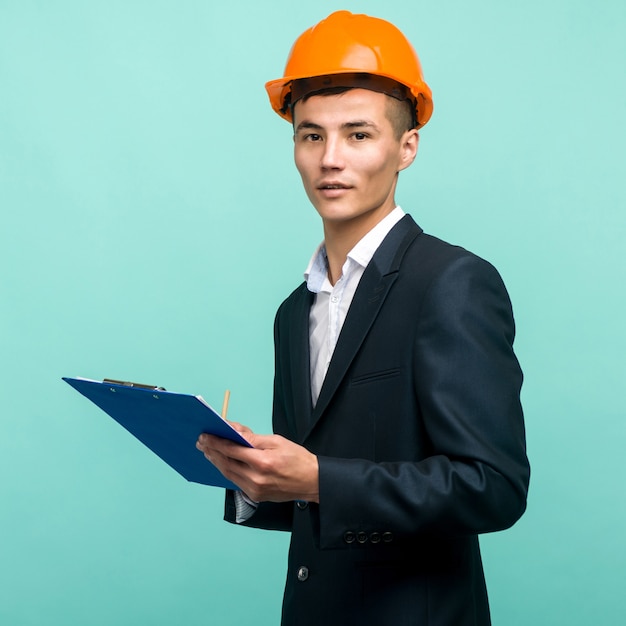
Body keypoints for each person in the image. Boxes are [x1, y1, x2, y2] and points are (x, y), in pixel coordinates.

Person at [196, 10, 530, 626]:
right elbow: (308, 488)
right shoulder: (293, 311)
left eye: (357, 134)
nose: (330, 159)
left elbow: (494, 487)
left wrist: (320, 478)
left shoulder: (451, 284)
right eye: (311, 135)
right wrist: (250, 476)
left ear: (407, 147)